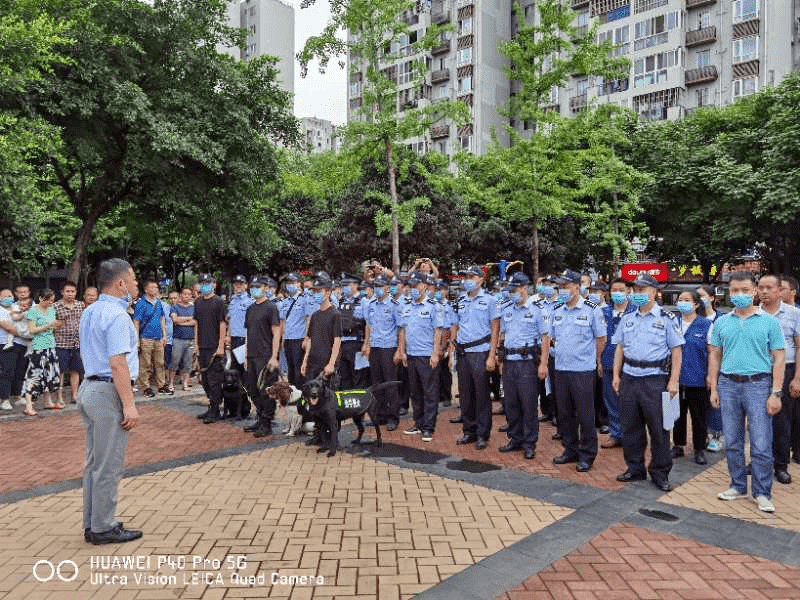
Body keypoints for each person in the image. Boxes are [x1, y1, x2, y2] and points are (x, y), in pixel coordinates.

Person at [708, 272, 785, 513]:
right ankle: (738, 485)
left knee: (761, 443)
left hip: (759, 385)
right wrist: (714, 386)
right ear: (729, 293)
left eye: (744, 290)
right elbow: (715, 355)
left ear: (753, 291)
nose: (739, 295)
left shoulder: (770, 322)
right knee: (732, 441)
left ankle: (762, 492)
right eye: (734, 291)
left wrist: (776, 392)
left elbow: (779, 357)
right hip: (728, 385)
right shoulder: (721, 322)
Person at [78, 258, 142, 544]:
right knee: (108, 464)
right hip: (107, 393)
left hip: (89, 389)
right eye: (133, 280)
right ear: (120, 284)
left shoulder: (90, 311)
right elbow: (118, 364)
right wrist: (129, 405)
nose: (135, 285)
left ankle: (94, 523)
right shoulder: (117, 316)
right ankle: (103, 527)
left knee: (94, 463)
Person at [612, 274, 683, 492]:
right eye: (635, 290)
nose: (638, 294)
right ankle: (635, 468)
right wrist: (616, 375)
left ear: (654, 292)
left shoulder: (666, 317)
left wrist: (674, 381)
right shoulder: (627, 318)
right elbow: (619, 348)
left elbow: (677, 350)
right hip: (630, 378)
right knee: (630, 427)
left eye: (643, 290)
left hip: (655, 378)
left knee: (659, 428)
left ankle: (660, 473)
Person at [549, 270, 606, 473]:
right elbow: (553, 337)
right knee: (564, 414)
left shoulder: (592, 309)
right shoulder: (557, 310)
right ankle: (570, 450)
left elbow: (601, 339)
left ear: (576, 287)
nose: (562, 290)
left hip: (582, 371)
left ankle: (587, 454)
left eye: (565, 286)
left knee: (585, 415)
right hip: (561, 369)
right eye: (560, 287)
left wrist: (593, 359)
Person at [499, 272, 550, 459]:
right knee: (511, 404)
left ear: (524, 288)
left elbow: (545, 338)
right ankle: (515, 439)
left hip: (528, 363)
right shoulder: (507, 309)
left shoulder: (538, 309)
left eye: (514, 289)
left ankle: (529, 443)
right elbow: (503, 335)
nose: (512, 293)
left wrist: (543, 364)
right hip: (509, 362)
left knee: (528, 405)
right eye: (510, 290)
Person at [450, 265, 500, 450]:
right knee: (466, 394)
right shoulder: (459, 300)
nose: (468, 280)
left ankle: (482, 433)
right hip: (463, 352)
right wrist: (452, 350)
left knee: (481, 395)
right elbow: (454, 325)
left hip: (481, 351)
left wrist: (492, 355)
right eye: (466, 276)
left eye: (472, 276)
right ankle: (469, 431)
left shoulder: (490, 301)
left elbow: (495, 329)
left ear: (481, 279)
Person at [756, 274, 800, 485]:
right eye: (761, 287)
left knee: (782, 421)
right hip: (758, 371)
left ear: (779, 290)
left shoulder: (793, 314)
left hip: (786, 370)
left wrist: (797, 378)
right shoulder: (754, 314)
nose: (764, 292)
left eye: (769, 288)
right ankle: (758, 461)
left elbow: (799, 347)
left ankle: (781, 465)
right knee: (758, 420)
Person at [398, 272, 445, 442]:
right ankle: (418, 423)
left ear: (424, 286)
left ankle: (428, 427)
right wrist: (402, 351)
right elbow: (402, 330)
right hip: (411, 355)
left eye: (417, 286)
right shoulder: (407, 306)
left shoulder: (433, 306)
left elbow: (438, 331)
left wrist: (435, 353)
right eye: (411, 286)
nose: (414, 289)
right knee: (415, 392)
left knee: (430, 393)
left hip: (426, 356)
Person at [301, 272, 343, 445]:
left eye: (319, 290)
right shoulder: (315, 316)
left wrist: (331, 363)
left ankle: (332, 437)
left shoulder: (335, 314)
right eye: (314, 291)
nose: (316, 293)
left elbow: (337, 341)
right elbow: (309, 340)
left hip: (327, 366)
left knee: (330, 403)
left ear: (327, 292)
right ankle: (319, 434)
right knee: (314, 403)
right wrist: (305, 360)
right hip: (313, 364)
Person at [672, 290, 713, 465]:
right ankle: (678, 445)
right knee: (677, 415)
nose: (683, 303)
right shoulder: (673, 323)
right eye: (680, 300)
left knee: (699, 418)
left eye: (687, 300)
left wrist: (711, 375)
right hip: (676, 379)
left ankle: (699, 449)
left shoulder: (706, 324)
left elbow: (712, 352)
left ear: (696, 304)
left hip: (698, 379)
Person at [362, 274, 403, 431]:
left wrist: (399, 350)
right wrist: (367, 344)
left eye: (381, 286)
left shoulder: (394, 305)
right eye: (376, 286)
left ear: (387, 287)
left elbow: (400, 329)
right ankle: (379, 416)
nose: (378, 289)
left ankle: (393, 417)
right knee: (377, 384)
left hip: (389, 348)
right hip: (375, 347)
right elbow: (369, 326)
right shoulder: (371, 304)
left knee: (390, 384)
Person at [243, 276, 281, 437]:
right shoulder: (250, 308)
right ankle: (260, 418)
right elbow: (247, 332)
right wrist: (245, 355)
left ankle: (267, 423)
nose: (254, 289)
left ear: (266, 287)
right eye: (252, 286)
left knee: (267, 391)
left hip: (265, 356)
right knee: (252, 390)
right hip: (251, 355)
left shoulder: (271, 307)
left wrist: (274, 356)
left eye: (258, 286)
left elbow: (277, 333)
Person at [600, 278, 635, 449]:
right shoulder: (603, 312)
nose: (617, 293)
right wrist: (598, 361)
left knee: (630, 401)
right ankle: (616, 434)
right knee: (611, 400)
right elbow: (598, 339)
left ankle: (631, 435)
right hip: (607, 361)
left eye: (621, 290)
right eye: (614, 290)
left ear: (629, 291)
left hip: (630, 364)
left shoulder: (636, 311)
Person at [21, 289, 64, 416]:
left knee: (50, 374)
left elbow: (51, 327)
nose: (51, 302)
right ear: (40, 298)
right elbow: (32, 330)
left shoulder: (52, 310)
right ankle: (28, 406)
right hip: (38, 347)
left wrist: (55, 326)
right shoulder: (33, 311)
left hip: (51, 345)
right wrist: (48, 325)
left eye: (52, 300)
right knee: (35, 375)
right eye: (49, 300)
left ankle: (47, 401)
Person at [194, 274, 227, 423]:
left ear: (214, 284)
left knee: (214, 380)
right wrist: (196, 344)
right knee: (205, 380)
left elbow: (222, 324)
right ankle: (212, 405)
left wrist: (221, 346)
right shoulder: (198, 302)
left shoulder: (219, 302)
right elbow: (196, 324)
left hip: (214, 347)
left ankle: (215, 411)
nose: (205, 285)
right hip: (202, 346)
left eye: (208, 283)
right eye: (202, 283)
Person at [697, 285, 725, 453]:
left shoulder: (721, 319)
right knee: (700, 405)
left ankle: (716, 435)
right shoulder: (691, 319)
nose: (700, 300)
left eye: (702, 296)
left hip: (717, 368)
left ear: (712, 298)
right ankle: (702, 435)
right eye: (697, 297)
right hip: (696, 368)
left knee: (715, 402)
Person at [133, 280, 167, 398]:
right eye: (152, 287)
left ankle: (161, 386)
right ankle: (146, 388)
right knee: (145, 364)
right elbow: (136, 322)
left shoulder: (159, 303)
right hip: (145, 338)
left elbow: (162, 319)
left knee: (160, 363)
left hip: (158, 338)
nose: (155, 289)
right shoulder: (141, 303)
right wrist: (137, 340)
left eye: (156, 287)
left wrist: (164, 335)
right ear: (146, 290)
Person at [54, 281, 85, 405]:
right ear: (62, 292)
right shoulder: (55, 306)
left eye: (72, 291)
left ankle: (74, 395)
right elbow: (52, 324)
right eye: (67, 291)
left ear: (76, 292)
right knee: (60, 371)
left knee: (76, 370)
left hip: (77, 343)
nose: (70, 294)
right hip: (61, 343)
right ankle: (59, 396)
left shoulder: (81, 305)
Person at [337, 274, 368, 390]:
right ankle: (347, 405)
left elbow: (368, 324)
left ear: (355, 285)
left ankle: (359, 406)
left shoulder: (363, 301)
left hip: (358, 344)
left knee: (358, 376)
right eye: (343, 285)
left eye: (347, 285)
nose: (345, 288)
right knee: (345, 376)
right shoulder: (341, 301)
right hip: (343, 343)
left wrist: (366, 344)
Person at [280, 273, 311, 388]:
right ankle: (292, 392)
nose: (290, 285)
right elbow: (283, 322)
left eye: (293, 283)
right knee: (290, 368)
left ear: (299, 284)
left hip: (299, 339)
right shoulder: (285, 301)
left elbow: (308, 319)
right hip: (288, 339)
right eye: (289, 283)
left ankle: (301, 393)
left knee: (299, 368)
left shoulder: (304, 300)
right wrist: (282, 338)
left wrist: (307, 338)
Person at [170, 288, 196, 391]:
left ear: (191, 296)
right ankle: (171, 383)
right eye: (184, 294)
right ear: (181, 295)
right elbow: (175, 319)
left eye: (189, 294)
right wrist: (189, 318)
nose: (187, 296)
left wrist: (181, 321)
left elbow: (195, 322)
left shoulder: (194, 308)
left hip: (190, 339)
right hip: (178, 339)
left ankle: (185, 383)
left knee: (188, 362)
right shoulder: (175, 307)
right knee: (175, 361)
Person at [0, 289, 20, 410]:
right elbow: (7, 326)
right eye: (5, 296)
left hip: (12, 344)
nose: (8, 297)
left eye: (10, 295)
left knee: (9, 372)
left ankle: (5, 399)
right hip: (1, 343)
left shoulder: (16, 308)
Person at [162, 290, 178, 392]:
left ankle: (174, 380)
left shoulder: (184, 308)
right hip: (168, 340)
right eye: (170, 298)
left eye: (175, 298)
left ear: (179, 298)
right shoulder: (165, 308)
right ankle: (167, 381)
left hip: (179, 339)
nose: (173, 300)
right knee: (167, 361)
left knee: (176, 361)